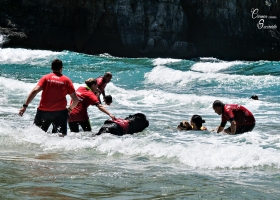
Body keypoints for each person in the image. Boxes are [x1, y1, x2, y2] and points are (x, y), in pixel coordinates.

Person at [18, 59, 79, 136]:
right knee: (60, 137)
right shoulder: (67, 80)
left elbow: (35, 91)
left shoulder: (46, 78)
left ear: (51, 68)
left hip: (43, 112)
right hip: (60, 113)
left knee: (36, 136)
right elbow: (76, 100)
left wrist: (25, 106)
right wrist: (69, 109)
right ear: (61, 68)